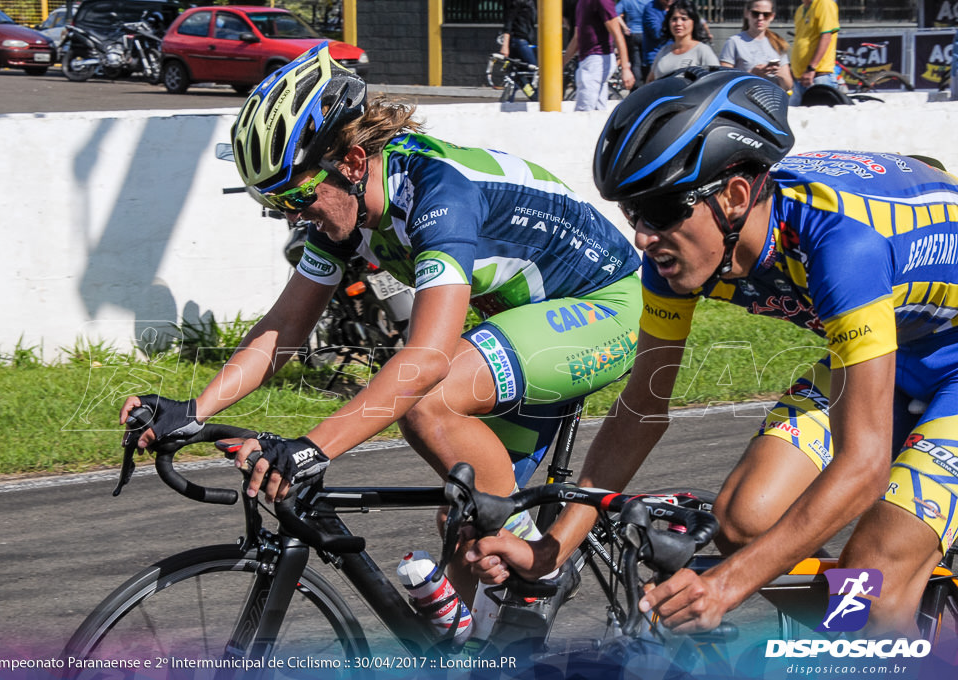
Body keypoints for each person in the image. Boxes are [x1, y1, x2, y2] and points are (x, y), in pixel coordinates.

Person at [120, 43, 643, 602]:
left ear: (348, 163)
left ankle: (543, 568)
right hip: (527, 323)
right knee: (464, 531)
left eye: (297, 196)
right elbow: (283, 329)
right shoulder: (342, 207)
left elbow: (426, 360)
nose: (294, 216)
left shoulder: (437, 192)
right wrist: (192, 411)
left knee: (428, 400)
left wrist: (312, 448)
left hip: (605, 307)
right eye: (275, 205)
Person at [466, 66, 958, 636]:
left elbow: (864, 466)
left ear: (735, 195)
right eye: (632, 213)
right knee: (746, 521)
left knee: (870, 582)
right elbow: (641, 410)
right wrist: (552, 552)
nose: (642, 238)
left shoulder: (842, 245)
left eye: (658, 210)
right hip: (896, 347)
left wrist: (725, 586)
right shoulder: (675, 259)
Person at [564, 0, 637, 110]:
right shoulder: (581, 3)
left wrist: (625, 68)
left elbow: (618, 35)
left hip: (596, 61)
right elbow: (577, 37)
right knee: (597, 110)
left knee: (584, 111)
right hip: (590, 61)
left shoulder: (602, 1)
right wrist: (562, 63)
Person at [719, 0, 793, 91]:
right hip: (744, 99)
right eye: (755, 13)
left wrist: (780, 74)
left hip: (772, 99)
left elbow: (788, 86)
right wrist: (752, 74)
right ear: (747, 13)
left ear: (772, 16)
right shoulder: (734, 42)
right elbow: (724, 81)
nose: (760, 18)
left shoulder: (778, 43)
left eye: (766, 15)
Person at [645, 0, 719, 82]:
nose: (678, 23)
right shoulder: (663, 52)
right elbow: (649, 82)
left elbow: (716, 81)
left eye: (684, 19)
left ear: (693, 22)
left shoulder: (702, 51)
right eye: (674, 19)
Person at [790, 0, 839, 106]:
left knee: (821, 120)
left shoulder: (825, 3)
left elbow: (826, 37)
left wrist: (811, 68)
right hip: (800, 80)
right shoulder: (800, 10)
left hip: (818, 78)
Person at [617, 0, 649, 87]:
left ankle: (637, 86)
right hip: (646, 35)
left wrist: (624, 27)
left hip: (632, 34)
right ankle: (647, 83)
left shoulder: (626, 1)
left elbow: (615, 14)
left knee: (635, 63)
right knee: (647, 61)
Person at [641, 0, 673, 79]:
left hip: (676, 57)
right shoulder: (651, 8)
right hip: (656, 59)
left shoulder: (678, 5)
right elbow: (657, 33)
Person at [501, 0, 537, 66]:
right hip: (519, 40)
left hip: (524, 40)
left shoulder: (532, 2)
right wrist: (505, 45)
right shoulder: (519, 2)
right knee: (533, 70)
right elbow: (509, 22)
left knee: (522, 70)